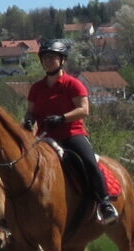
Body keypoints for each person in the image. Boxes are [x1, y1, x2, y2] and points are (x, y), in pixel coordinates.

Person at [26, 39, 118, 224]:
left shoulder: (73, 84)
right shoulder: (36, 88)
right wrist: (29, 121)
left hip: (71, 134)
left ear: (62, 60)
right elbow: (30, 111)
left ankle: (104, 203)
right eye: (45, 57)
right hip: (44, 138)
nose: (47, 61)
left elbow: (84, 110)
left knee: (90, 162)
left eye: (52, 57)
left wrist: (62, 118)